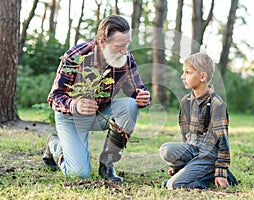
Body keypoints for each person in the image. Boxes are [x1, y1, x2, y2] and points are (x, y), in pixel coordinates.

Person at [42, 15, 151, 182]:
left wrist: (143, 96)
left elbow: (136, 89)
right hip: (71, 117)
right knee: (78, 174)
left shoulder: (125, 58)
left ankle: (107, 165)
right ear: (102, 41)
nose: (125, 50)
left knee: (130, 105)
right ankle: (55, 146)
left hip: (100, 114)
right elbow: (55, 97)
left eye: (127, 44)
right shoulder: (76, 56)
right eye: (119, 46)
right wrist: (75, 105)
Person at [159, 52, 237, 189]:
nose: (182, 77)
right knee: (166, 149)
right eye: (183, 72)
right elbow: (186, 136)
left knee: (173, 185)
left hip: (208, 155)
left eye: (188, 73)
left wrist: (221, 172)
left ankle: (209, 175)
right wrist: (179, 166)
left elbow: (223, 141)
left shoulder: (217, 104)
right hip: (192, 148)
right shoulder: (185, 102)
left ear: (202, 76)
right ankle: (191, 169)